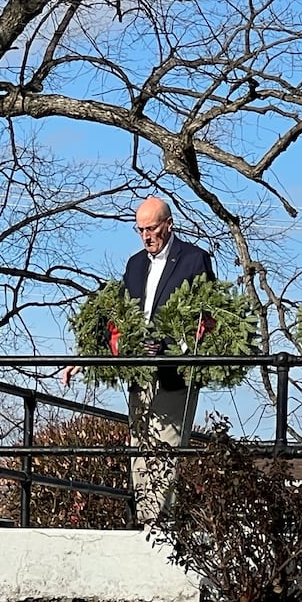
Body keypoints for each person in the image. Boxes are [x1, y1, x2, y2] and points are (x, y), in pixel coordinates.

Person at [64, 196, 215, 524]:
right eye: (140, 229)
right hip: (139, 370)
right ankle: (146, 519)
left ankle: (157, 524)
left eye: (152, 228)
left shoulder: (193, 260)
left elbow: (207, 316)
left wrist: (175, 344)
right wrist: (86, 356)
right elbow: (116, 317)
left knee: (166, 443)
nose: (146, 235)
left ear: (168, 224)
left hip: (175, 370)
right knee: (139, 443)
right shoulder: (134, 264)